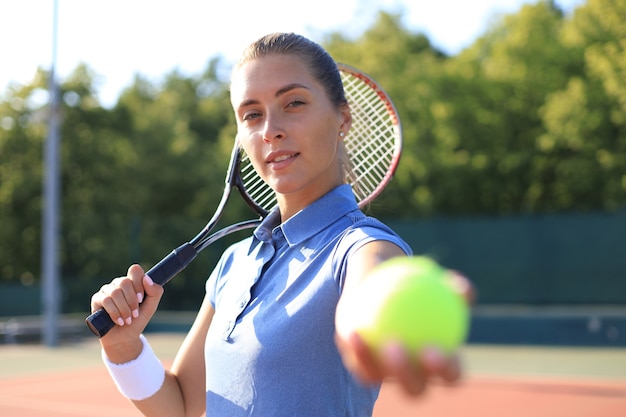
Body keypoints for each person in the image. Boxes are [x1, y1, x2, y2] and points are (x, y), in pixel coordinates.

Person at [91, 32, 472, 417]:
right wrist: (123, 348)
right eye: (252, 114)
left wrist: (375, 317)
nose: (271, 128)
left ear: (343, 117)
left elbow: (372, 282)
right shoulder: (233, 262)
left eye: (294, 103)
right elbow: (183, 406)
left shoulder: (361, 245)